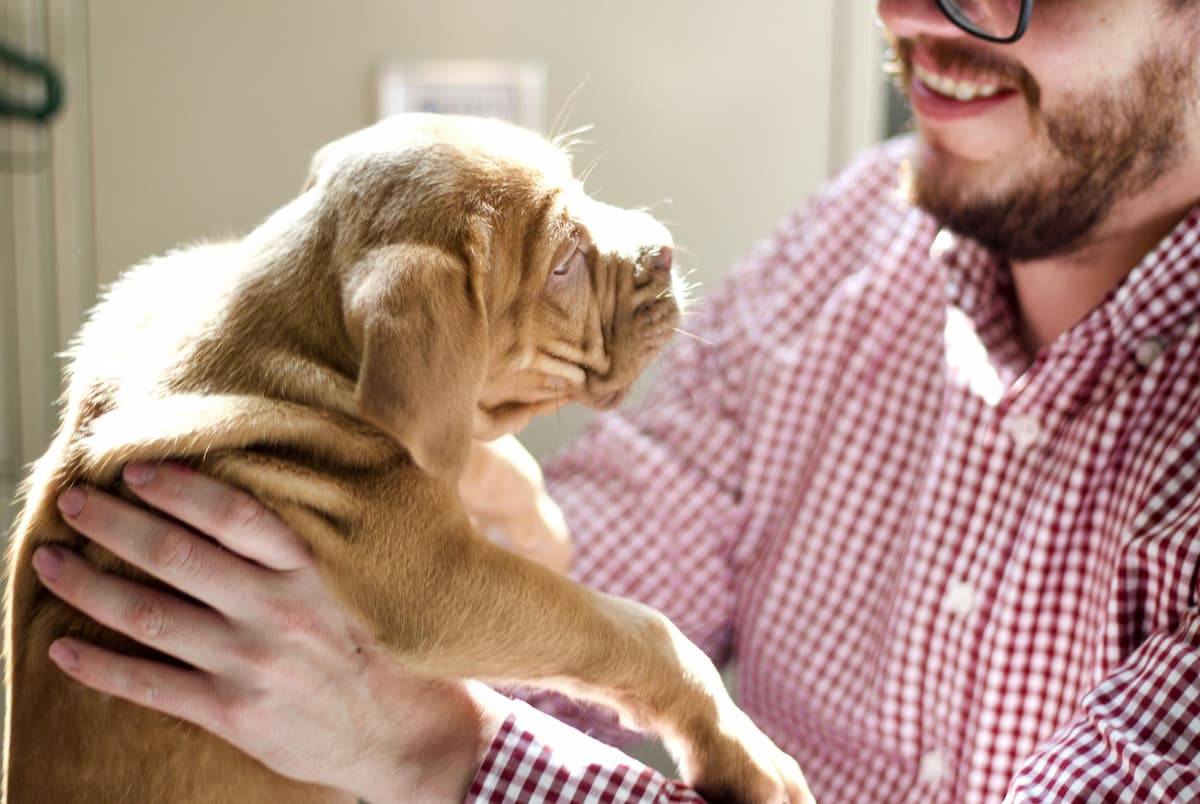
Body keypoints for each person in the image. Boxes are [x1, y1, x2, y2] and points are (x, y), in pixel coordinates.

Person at [27, 0, 1200, 800]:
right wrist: (493, 532)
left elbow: (471, 699)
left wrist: (449, 750)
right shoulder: (850, 241)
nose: (911, 16)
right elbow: (622, 542)